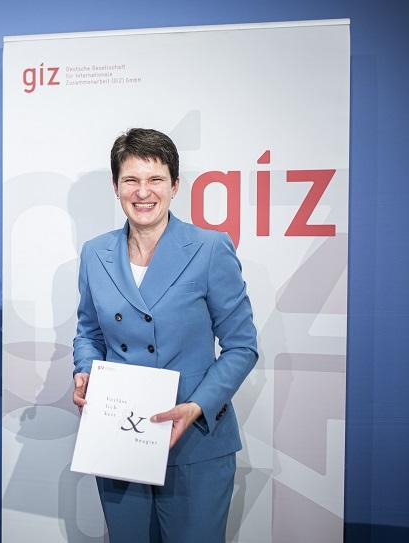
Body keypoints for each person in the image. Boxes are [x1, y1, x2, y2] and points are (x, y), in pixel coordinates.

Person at [72, 128, 258, 542]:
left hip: (194, 441)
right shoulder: (95, 253)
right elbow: (88, 332)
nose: (143, 192)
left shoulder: (210, 248)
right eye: (131, 180)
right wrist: (84, 370)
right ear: (115, 186)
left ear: (174, 185)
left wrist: (196, 406)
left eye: (155, 179)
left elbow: (242, 346)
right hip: (119, 440)